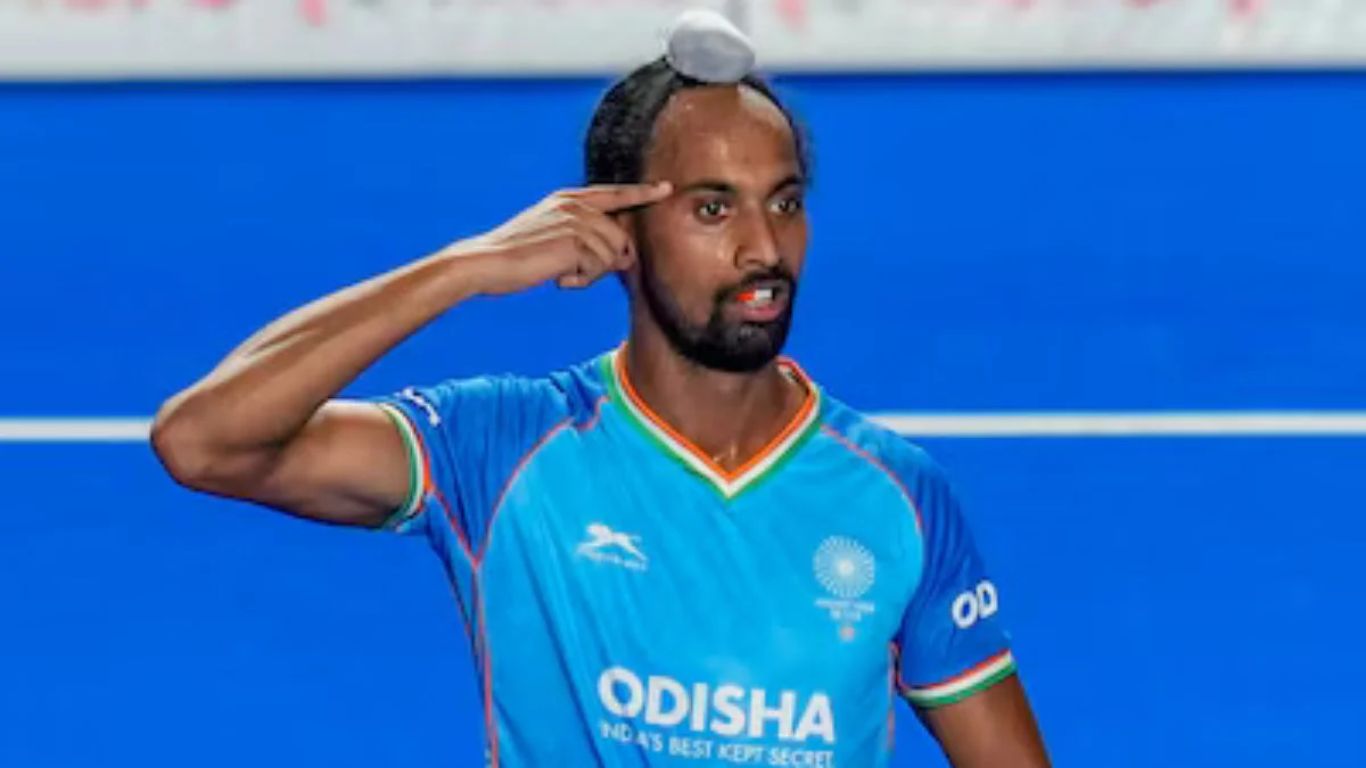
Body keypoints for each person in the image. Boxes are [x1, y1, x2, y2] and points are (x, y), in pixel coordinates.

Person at [151, 27, 1049, 768]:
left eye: (783, 203)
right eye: (713, 209)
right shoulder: (497, 449)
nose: (764, 250)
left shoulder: (899, 497)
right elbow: (203, 442)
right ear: (618, 230)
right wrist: (459, 270)